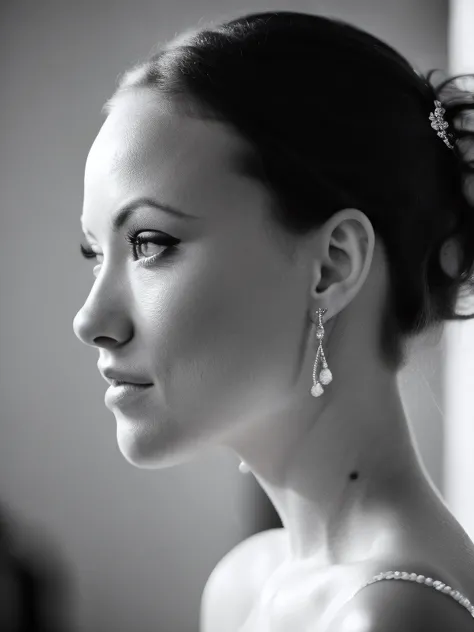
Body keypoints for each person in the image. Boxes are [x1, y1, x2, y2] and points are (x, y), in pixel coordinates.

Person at [72, 10, 474, 631]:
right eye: (95, 254)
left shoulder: (393, 616)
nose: (90, 319)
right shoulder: (244, 584)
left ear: (333, 266)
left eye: (150, 243)